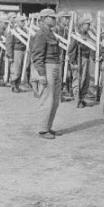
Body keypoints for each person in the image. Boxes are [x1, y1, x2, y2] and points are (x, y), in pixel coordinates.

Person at [31, 9, 63, 139]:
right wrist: (41, 75)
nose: (55, 20)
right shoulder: (41, 34)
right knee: (46, 100)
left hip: (55, 66)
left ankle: (48, 127)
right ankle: (42, 130)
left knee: (55, 101)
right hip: (47, 68)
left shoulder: (51, 34)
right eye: (52, 17)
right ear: (43, 19)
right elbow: (37, 56)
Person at [69, 17, 93, 108]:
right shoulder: (76, 35)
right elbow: (71, 50)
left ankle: (81, 98)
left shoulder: (88, 35)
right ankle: (77, 100)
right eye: (88, 24)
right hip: (79, 59)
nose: (89, 26)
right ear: (82, 25)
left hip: (86, 59)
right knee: (78, 80)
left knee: (85, 81)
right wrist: (73, 63)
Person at [5, 15, 28, 93]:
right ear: (17, 22)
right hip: (16, 52)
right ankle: (14, 86)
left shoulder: (24, 30)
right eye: (22, 21)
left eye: (24, 21)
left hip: (23, 51)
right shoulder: (12, 31)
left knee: (21, 69)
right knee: (16, 69)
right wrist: (10, 56)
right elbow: (9, 44)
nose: (23, 23)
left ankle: (17, 86)